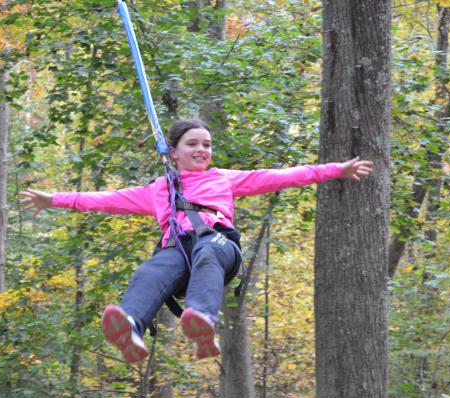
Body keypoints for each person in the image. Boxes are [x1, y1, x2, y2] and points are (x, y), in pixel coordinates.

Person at [20, 118, 374, 363]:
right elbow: (98, 199)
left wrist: (336, 170)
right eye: (193, 144)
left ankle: (202, 319)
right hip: (178, 254)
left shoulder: (225, 179)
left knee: (207, 251)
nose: (202, 149)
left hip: (220, 247)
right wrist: (52, 200)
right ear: (173, 152)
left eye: (207, 144)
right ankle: (131, 328)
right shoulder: (158, 191)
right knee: (151, 270)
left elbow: (283, 176)